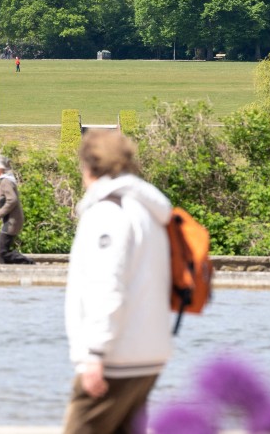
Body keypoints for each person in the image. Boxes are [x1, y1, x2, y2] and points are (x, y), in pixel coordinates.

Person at [62, 130, 173, 434]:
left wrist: (95, 353)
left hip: (117, 358)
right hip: (148, 355)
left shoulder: (108, 213)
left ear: (89, 167)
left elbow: (107, 286)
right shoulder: (147, 211)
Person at [0, 154, 34, 265]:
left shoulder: (6, 182)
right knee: (3, 254)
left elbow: (12, 200)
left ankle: (28, 263)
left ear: (0, 169)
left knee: (2, 253)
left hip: (12, 222)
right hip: (11, 221)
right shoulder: (6, 181)